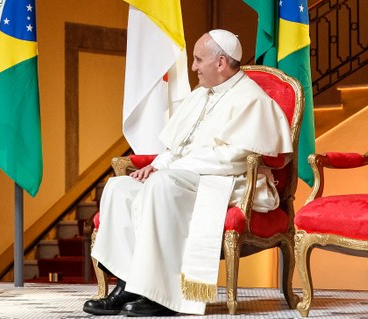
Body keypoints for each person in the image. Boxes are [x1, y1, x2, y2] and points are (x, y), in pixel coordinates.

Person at [85, 29, 293, 317]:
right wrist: (156, 164)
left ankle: (163, 295)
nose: (193, 67)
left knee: (162, 186)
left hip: (227, 182)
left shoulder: (252, 100)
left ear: (221, 62)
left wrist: (170, 168)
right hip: (183, 177)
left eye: (198, 60)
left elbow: (232, 158)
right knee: (119, 188)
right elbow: (178, 145)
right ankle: (128, 284)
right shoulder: (200, 96)